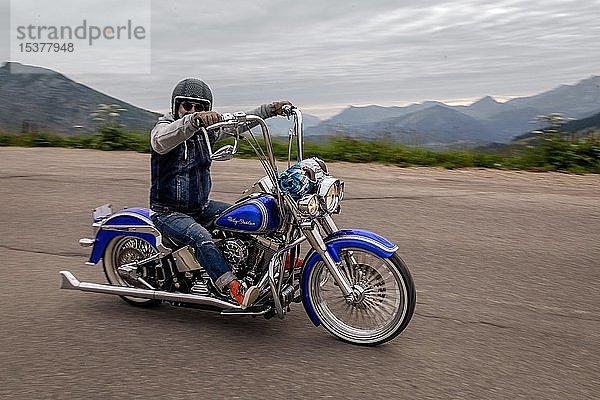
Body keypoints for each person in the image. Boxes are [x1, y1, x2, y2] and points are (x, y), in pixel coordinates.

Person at [149, 77, 291, 308]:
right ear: (176, 106)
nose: (193, 111)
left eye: (200, 107)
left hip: (200, 206)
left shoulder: (207, 133)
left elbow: (239, 124)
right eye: (187, 105)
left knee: (250, 218)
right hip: (168, 212)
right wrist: (193, 121)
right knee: (200, 237)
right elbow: (159, 142)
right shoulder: (165, 129)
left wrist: (270, 109)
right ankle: (231, 287)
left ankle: (271, 265)